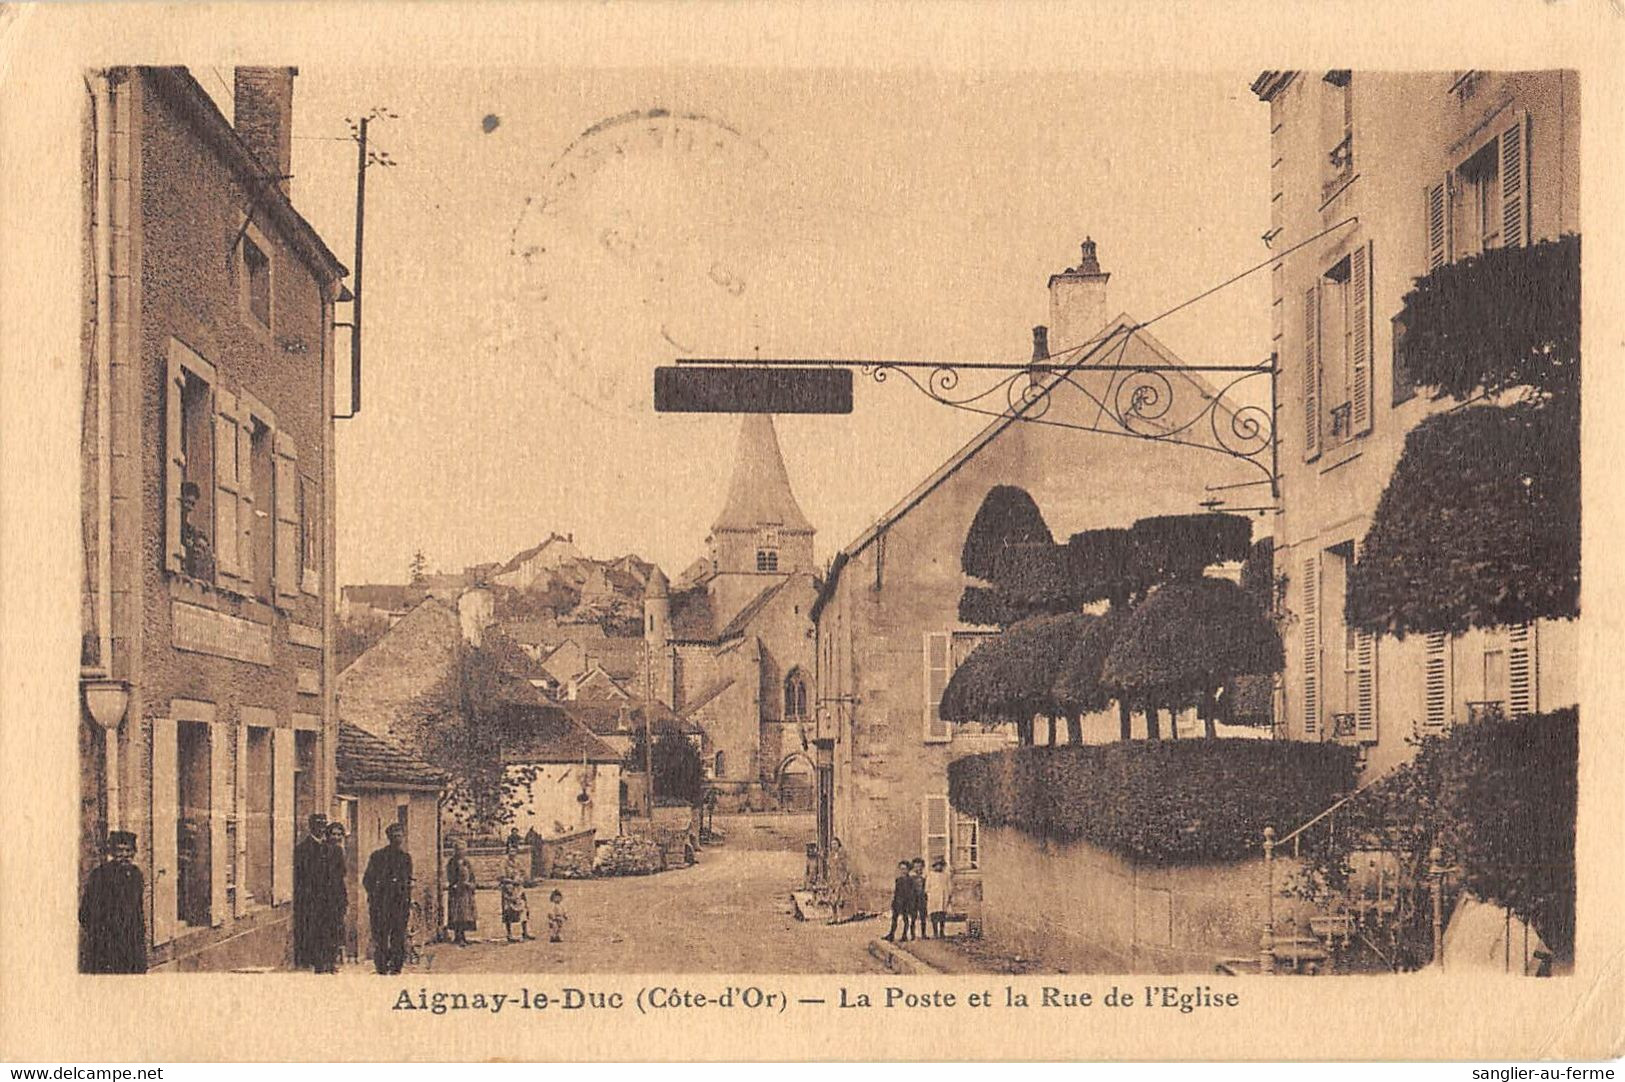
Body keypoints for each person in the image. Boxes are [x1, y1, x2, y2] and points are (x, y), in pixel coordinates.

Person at [79, 831, 146, 974]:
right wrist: (102, 937)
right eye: (120, 851)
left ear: (134, 852)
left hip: (131, 948)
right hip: (107, 949)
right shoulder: (100, 875)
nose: (124, 855)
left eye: (128, 850)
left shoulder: (136, 875)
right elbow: (85, 914)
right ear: (112, 853)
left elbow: (138, 913)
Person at [362, 822, 413, 974]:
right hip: (381, 905)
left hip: (399, 905)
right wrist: (376, 895)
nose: (398, 838)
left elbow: (407, 882)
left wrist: (406, 899)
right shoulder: (377, 857)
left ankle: (396, 967)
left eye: (400, 835)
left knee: (398, 937)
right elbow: (367, 880)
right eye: (394, 835)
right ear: (388, 837)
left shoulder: (405, 858)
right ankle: (382, 967)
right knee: (381, 937)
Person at [292, 813, 329, 970]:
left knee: (325, 930)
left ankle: (323, 961)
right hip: (310, 898)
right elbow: (301, 876)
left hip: (326, 898)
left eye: (324, 823)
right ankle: (311, 960)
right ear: (310, 826)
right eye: (318, 823)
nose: (321, 827)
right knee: (311, 929)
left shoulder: (329, 848)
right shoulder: (302, 849)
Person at [314, 821, 350, 972]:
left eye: (339, 834)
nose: (336, 837)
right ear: (328, 835)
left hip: (337, 896)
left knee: (335, 930)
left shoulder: (339, 850)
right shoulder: (322, 850)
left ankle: (331, 962)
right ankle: (322, 963)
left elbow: (342, 874)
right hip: (323, 896)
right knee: (323, 930)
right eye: (333, 834)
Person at [178, 481, 216, 582]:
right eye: (187, 502)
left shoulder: (189, 529)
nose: (189, 508)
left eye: (193, 504)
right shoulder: (174, 526)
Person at [500, 838, 534, 942]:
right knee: (508, 911)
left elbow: (524, 874)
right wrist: (511, 881)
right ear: (507, 852)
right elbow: (501, 877)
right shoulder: (504, 863)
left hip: (519, 889)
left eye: (514, 851)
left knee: (523, 909)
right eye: (510, 851)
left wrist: (521, 879)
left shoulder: (518, 862)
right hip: (508, 889)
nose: (512, 853)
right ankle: (509, 934)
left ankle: (525, 932)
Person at [446, 839, 477, 946]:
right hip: (456, 891)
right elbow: (450, 876)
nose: (461, 851)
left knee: (466, 914)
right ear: (455, 850)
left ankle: (463, 935)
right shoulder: (452, 862)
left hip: (466, 891)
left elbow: (472, 875)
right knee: (457, 914)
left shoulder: (467, 862)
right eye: (458, 849)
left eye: (463, 849)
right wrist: (455, 884)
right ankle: (457, 936)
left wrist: (471, 884)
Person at [883, 860, 914, 943]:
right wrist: (894, 902)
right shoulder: (898, 880)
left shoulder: (910, 880)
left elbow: (911, 893)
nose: (903, 871)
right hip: (898, 901)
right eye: (901, 869)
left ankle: (904, 935)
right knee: (894, 918)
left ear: (908, 870)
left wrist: (910, 903)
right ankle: (891, 934)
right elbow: (896, 892)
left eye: (904, 869)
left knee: (905, 919)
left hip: (906, 902)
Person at [826, 838, 852, 926]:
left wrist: (845, 878)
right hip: (832, 879)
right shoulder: (831, 855)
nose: (833, 846)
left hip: (840, 879)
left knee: (839, 900)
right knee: (832, 899)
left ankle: (840, 918)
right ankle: (834, 917)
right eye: (832, 844)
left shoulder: (843, 855)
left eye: (835, 844)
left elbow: (847, 868)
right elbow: (829, 867)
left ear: (839, 845)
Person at [926, 857, 951, 940]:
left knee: (942, 915)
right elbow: (927, 887)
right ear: (934, 866)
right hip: (933, 897)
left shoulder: (946, 875)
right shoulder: (930, 875)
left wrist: (949, 895)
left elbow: (949, 886)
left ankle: (942, 931)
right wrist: (929, 894)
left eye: (940, 865)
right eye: (937, 865)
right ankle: (935, 932)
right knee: (934, 914)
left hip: (943, 896)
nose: (939, 867)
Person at [911, 857, 929, 938]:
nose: (918, 868)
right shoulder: (911, 877)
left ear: (922, 867)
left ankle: (923, 934)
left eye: (920, 866)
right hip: (913, 898)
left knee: (923, 917)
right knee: (913, 917)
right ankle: (912, 934)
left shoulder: (925, 876)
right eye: (916, 866)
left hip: (922, 898)